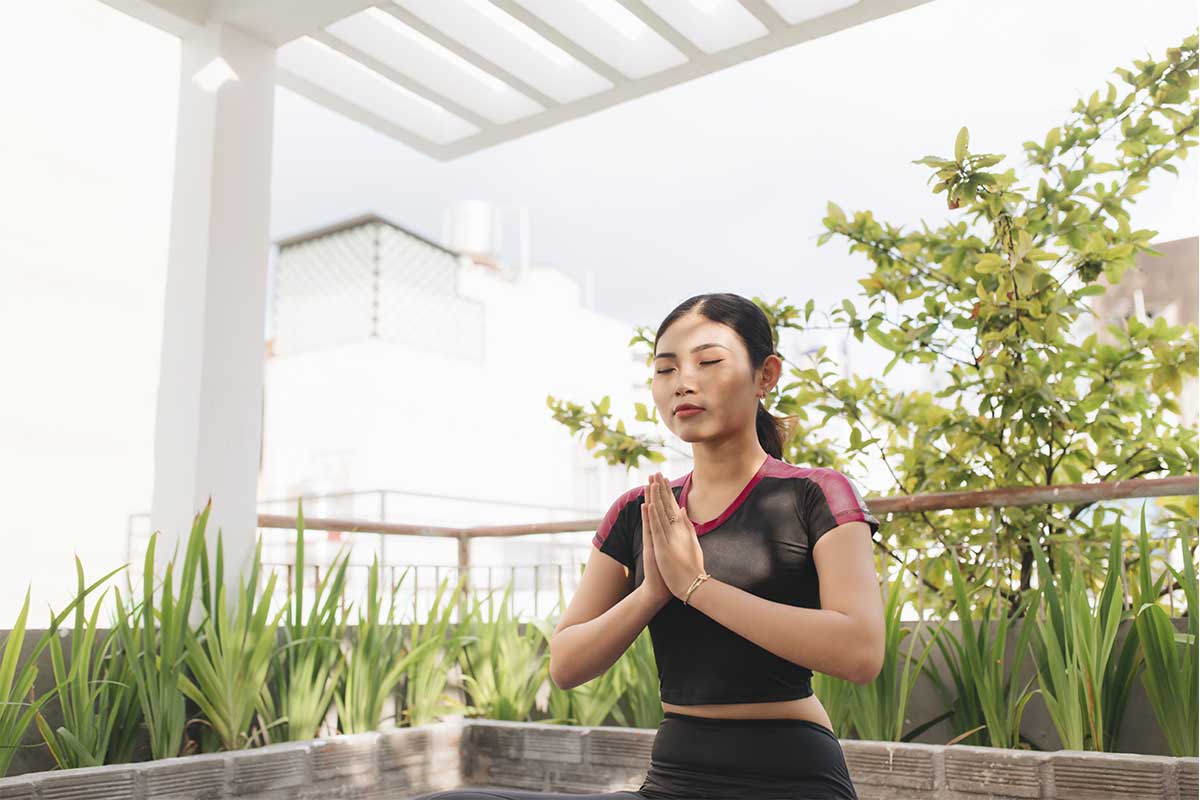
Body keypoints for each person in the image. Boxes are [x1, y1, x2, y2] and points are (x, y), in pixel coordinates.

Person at [411, 293, 884, 800]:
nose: (684, 382)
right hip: (674, 777)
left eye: (708, 362)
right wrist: (653, 592)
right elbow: (567, 665)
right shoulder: (639, 511)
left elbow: (860, 652)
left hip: (791, 775)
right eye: (666, 369)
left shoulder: (816, 494)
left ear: (765, 375)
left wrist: (697, 587)